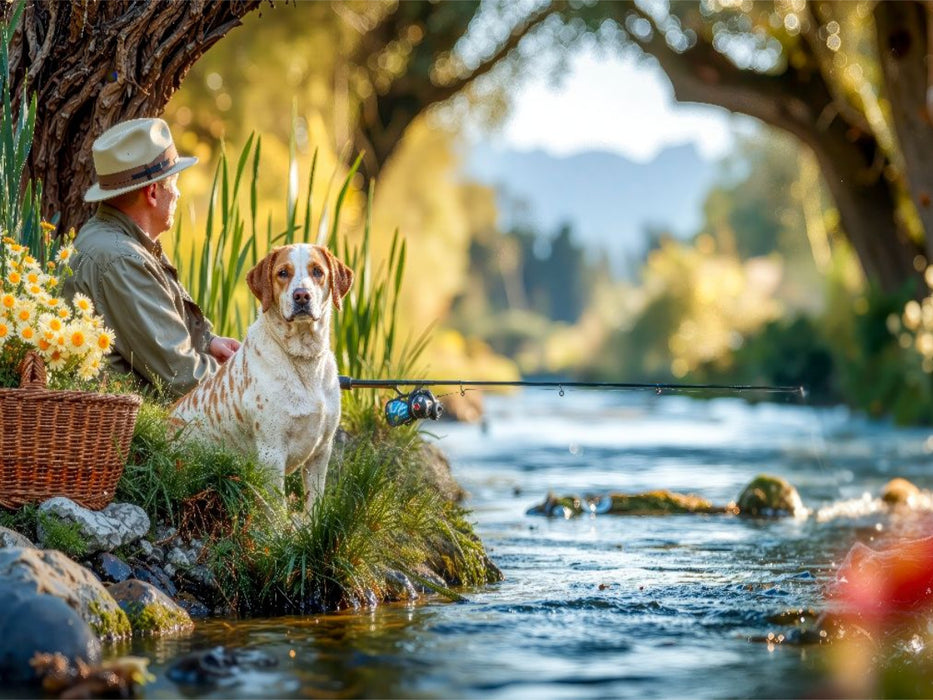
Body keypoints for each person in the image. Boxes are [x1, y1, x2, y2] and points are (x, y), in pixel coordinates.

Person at [63, 117, 240, 397]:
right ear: (154, 192)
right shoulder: (121, 259)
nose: (178, 193)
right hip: (130, 434)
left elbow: (161, 334)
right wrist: (252, 380)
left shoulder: (122, 240)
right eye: (174, 183)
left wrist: (208, 341)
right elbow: (183, 377)